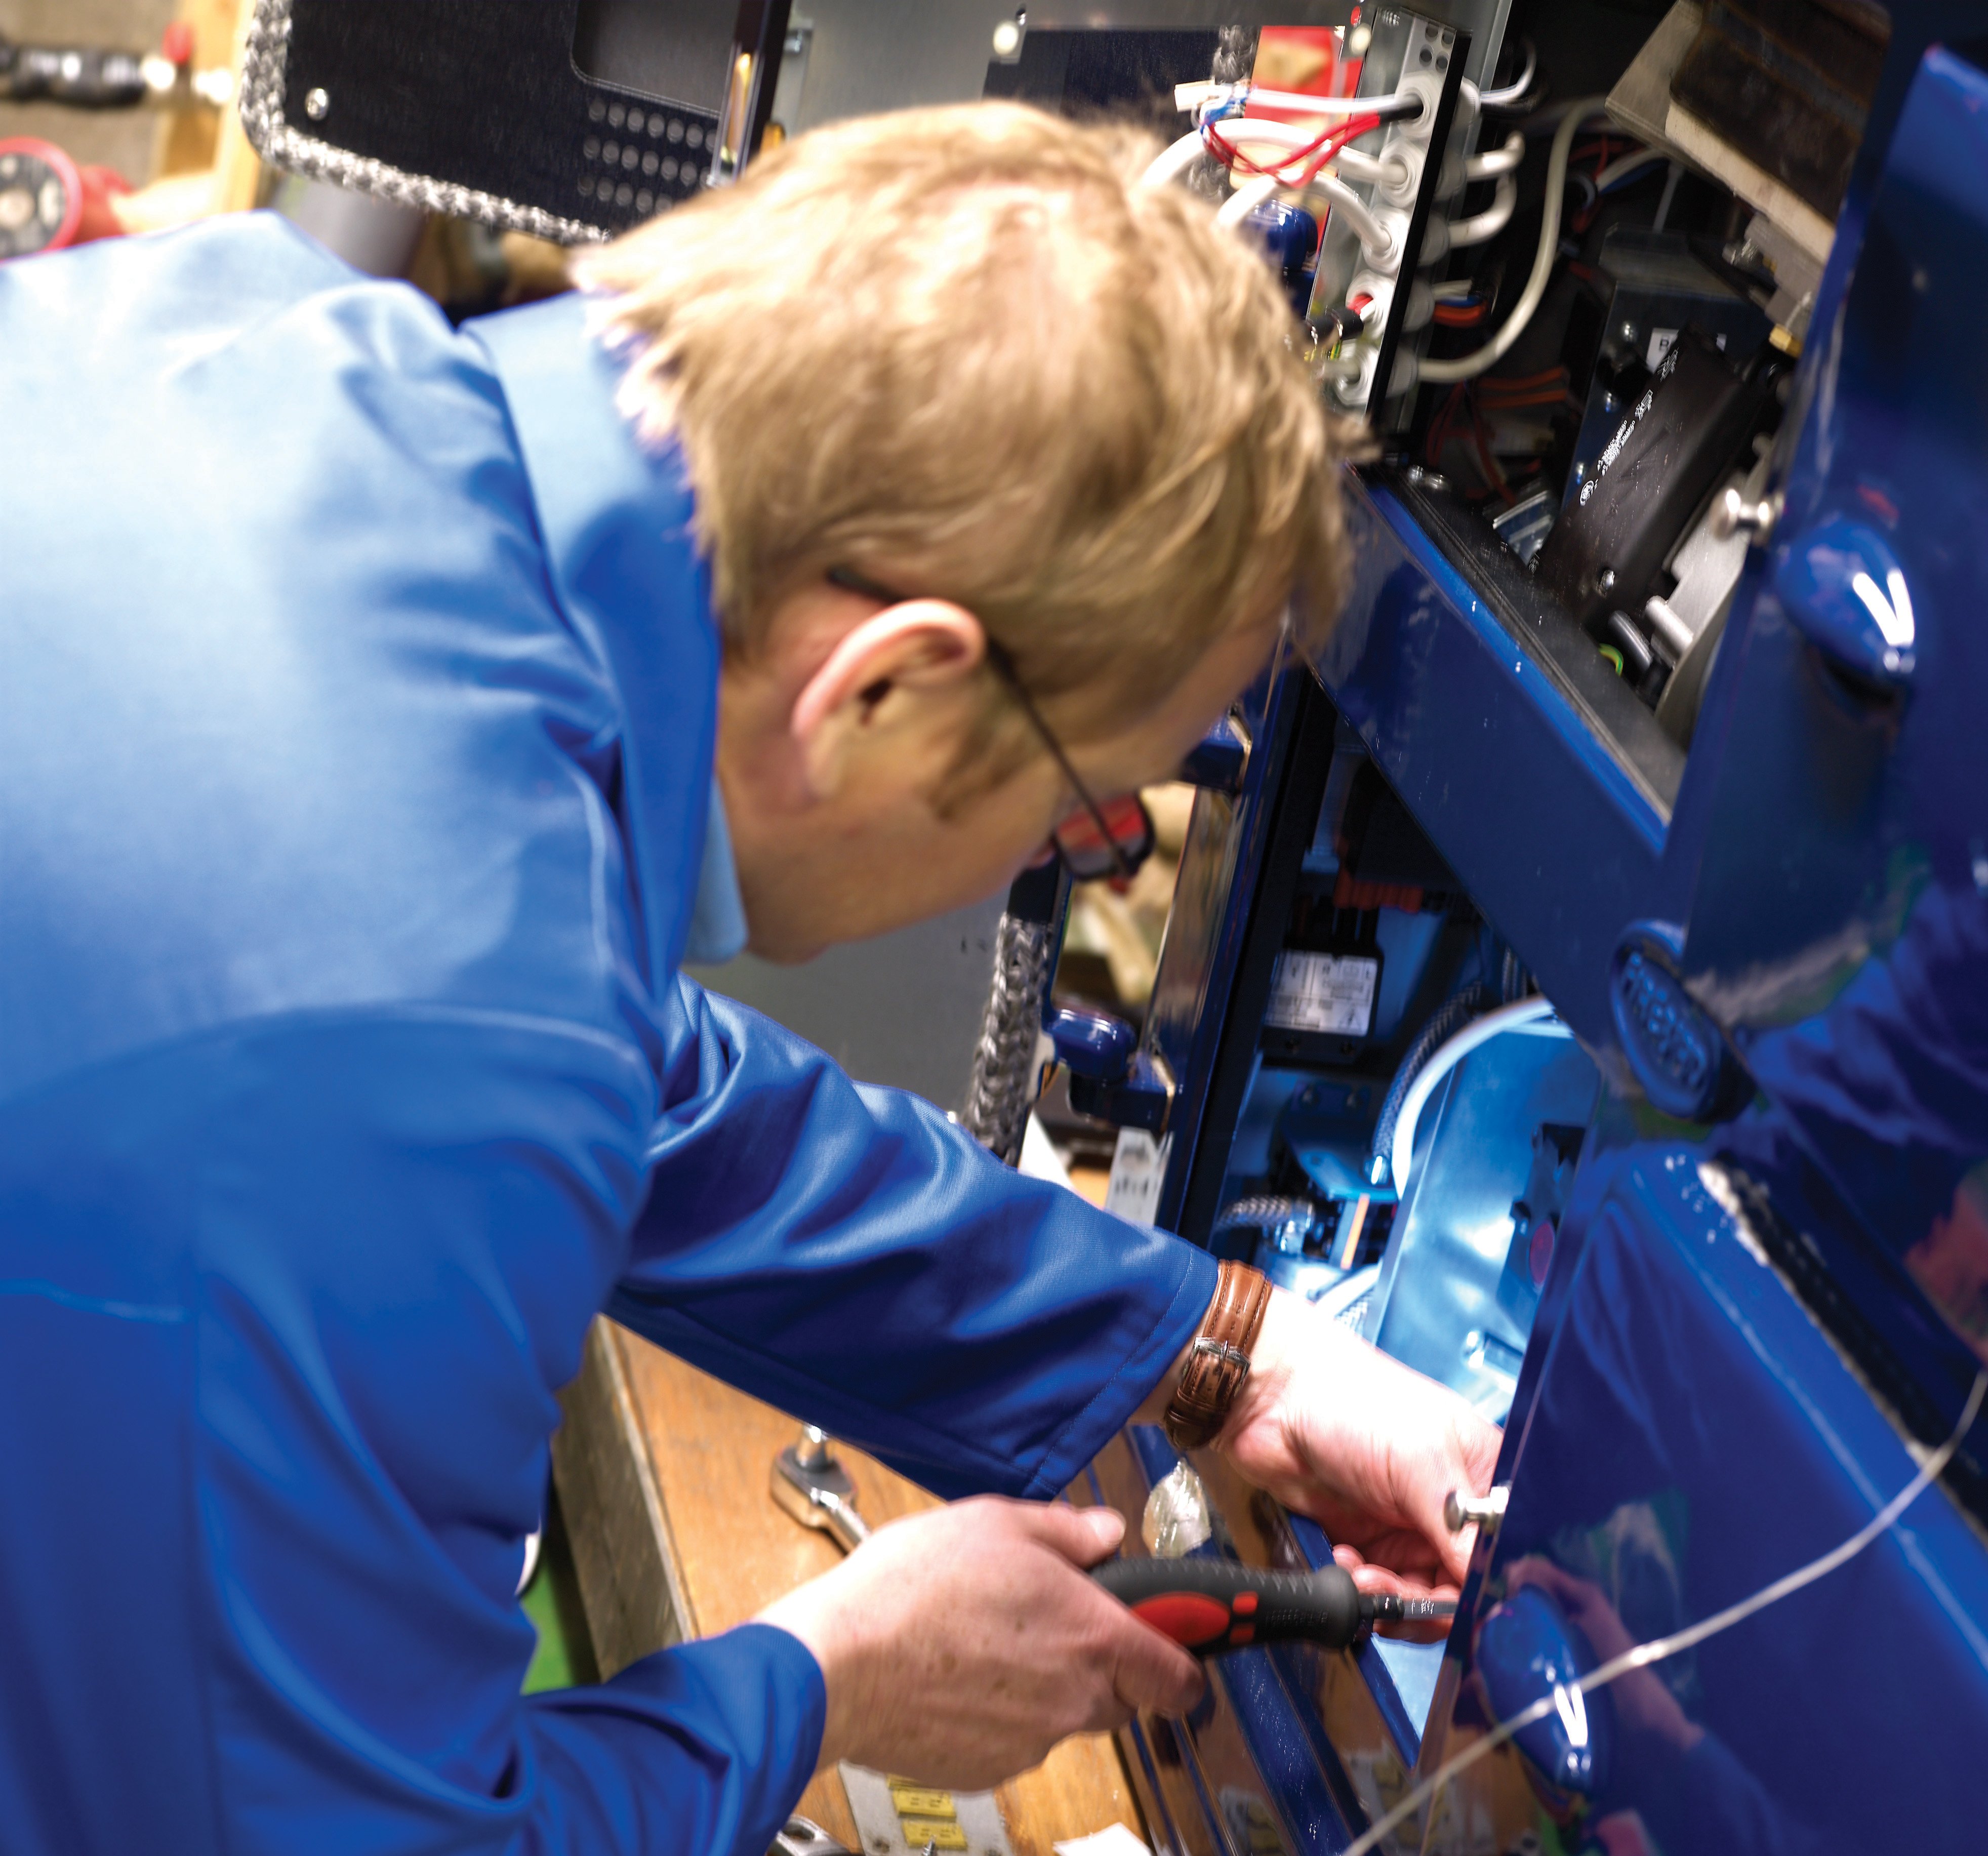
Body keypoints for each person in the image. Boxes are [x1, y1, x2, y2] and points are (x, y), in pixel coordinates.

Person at [0, 103, 1500, 1855]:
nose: (1075, 865)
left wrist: (1228, 1359)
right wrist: (828, 1674)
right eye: (1084, 814)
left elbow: (625, 1079)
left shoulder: (261, 339)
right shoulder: (411, 1024)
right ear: (880, 688)